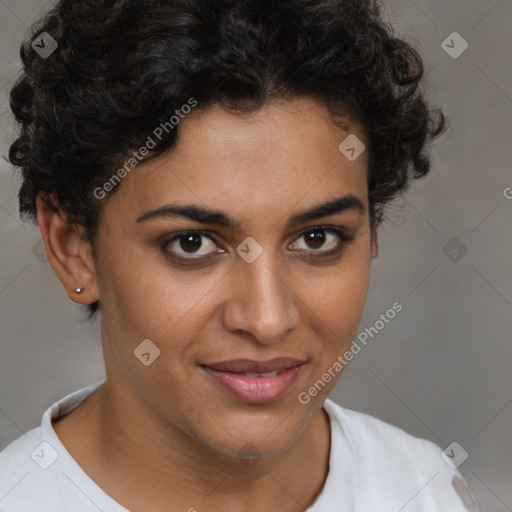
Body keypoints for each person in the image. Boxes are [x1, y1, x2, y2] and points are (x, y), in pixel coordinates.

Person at [0, 0, 481, 510]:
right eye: (192, 243)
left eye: (317, 238)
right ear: (74, 249)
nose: (267, 320)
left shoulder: (426, 490)